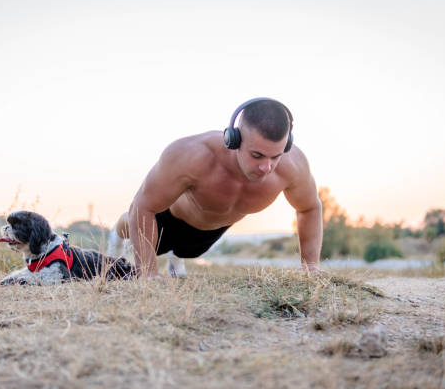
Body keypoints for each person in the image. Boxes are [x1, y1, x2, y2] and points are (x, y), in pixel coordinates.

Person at [107, 98, 323, 278]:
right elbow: (142, 205)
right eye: (256, 155)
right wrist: (148, 272)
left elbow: (310, 208)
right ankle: (115, 237)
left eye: (275, 156)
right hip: (170, 218)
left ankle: (177, 257)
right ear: (234, 139)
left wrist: (310, 265)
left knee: (189, 251)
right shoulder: (192, 155)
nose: (266, 167)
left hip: (212, 230)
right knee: (134, 224)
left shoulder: (294, 165)